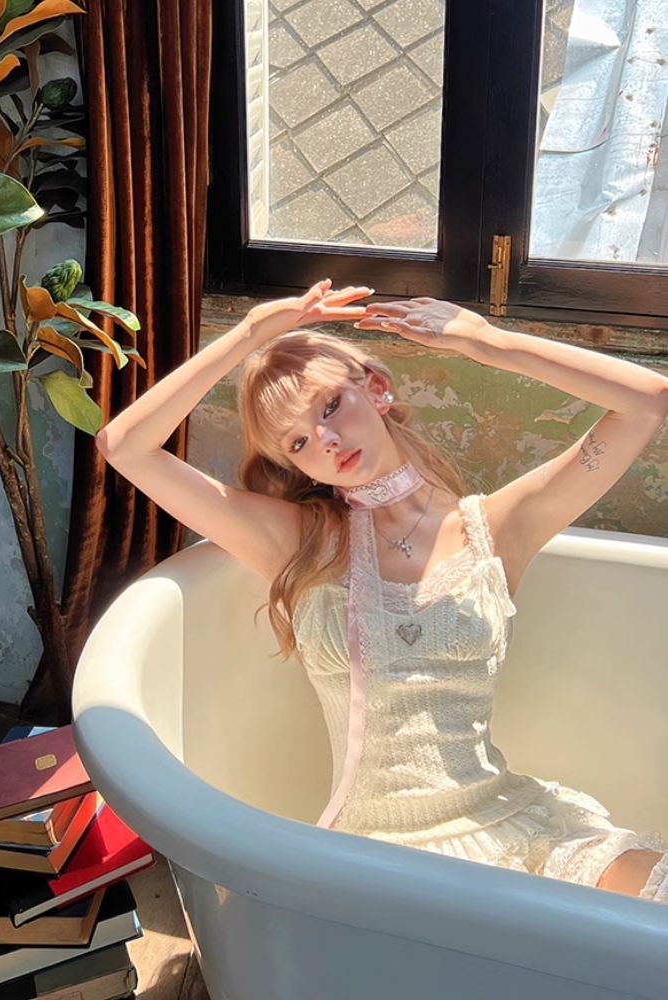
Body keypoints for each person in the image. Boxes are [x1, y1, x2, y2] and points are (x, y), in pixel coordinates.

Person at [96, 278, 668, 903]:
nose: (325, 440)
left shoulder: (496, 528)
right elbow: (126, 447)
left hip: (508, 822)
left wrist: (484, 341)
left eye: (329, 407)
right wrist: (251, 333)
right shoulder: (300, 542)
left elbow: (647, 401)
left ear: (376, 388)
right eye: (298, 442)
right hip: (379, 857)